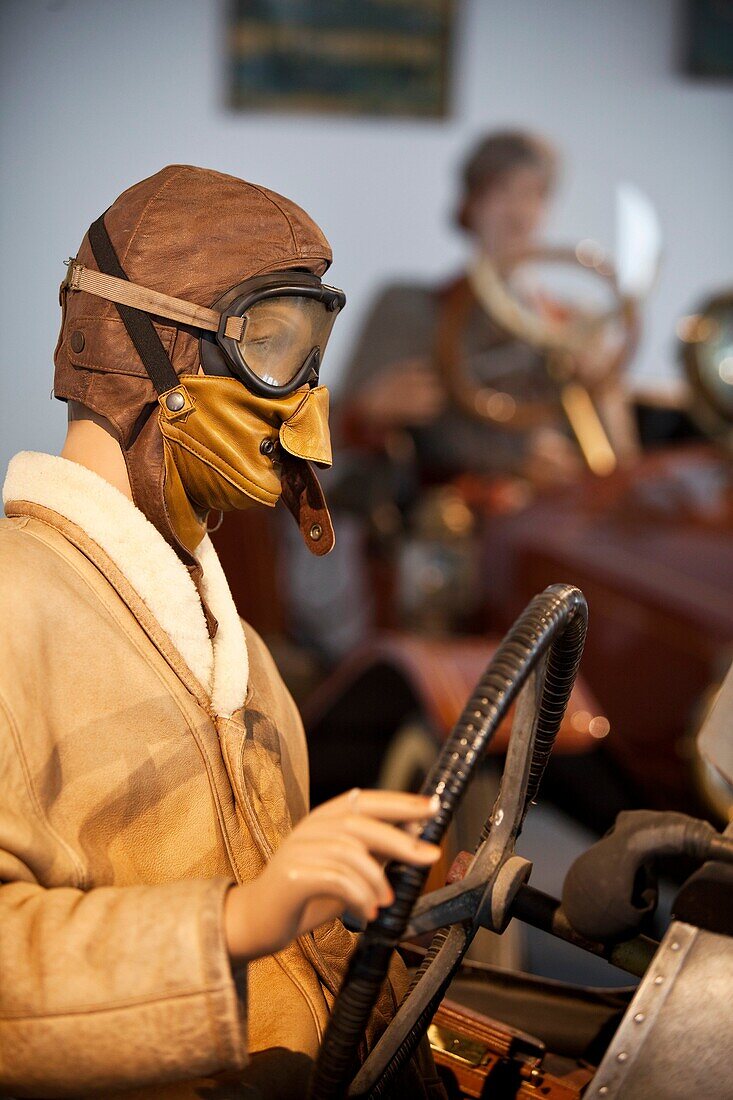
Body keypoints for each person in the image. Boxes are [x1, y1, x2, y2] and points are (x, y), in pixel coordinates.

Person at [0, 166, 445, 1098]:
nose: (302, 412)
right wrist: (236, 924)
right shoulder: (14, 607)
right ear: (147, 344)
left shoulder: (231, 642)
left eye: (310, 354)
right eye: (269, 346)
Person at [338, 129, 588, 488]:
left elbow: (609, 455)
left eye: (533, 195)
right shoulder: (411, 309)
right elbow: (332, 434)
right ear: (471, 205)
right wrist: (370, 408)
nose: (518, 213)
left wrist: (601, 386)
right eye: (502, 192)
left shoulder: (568, 324)